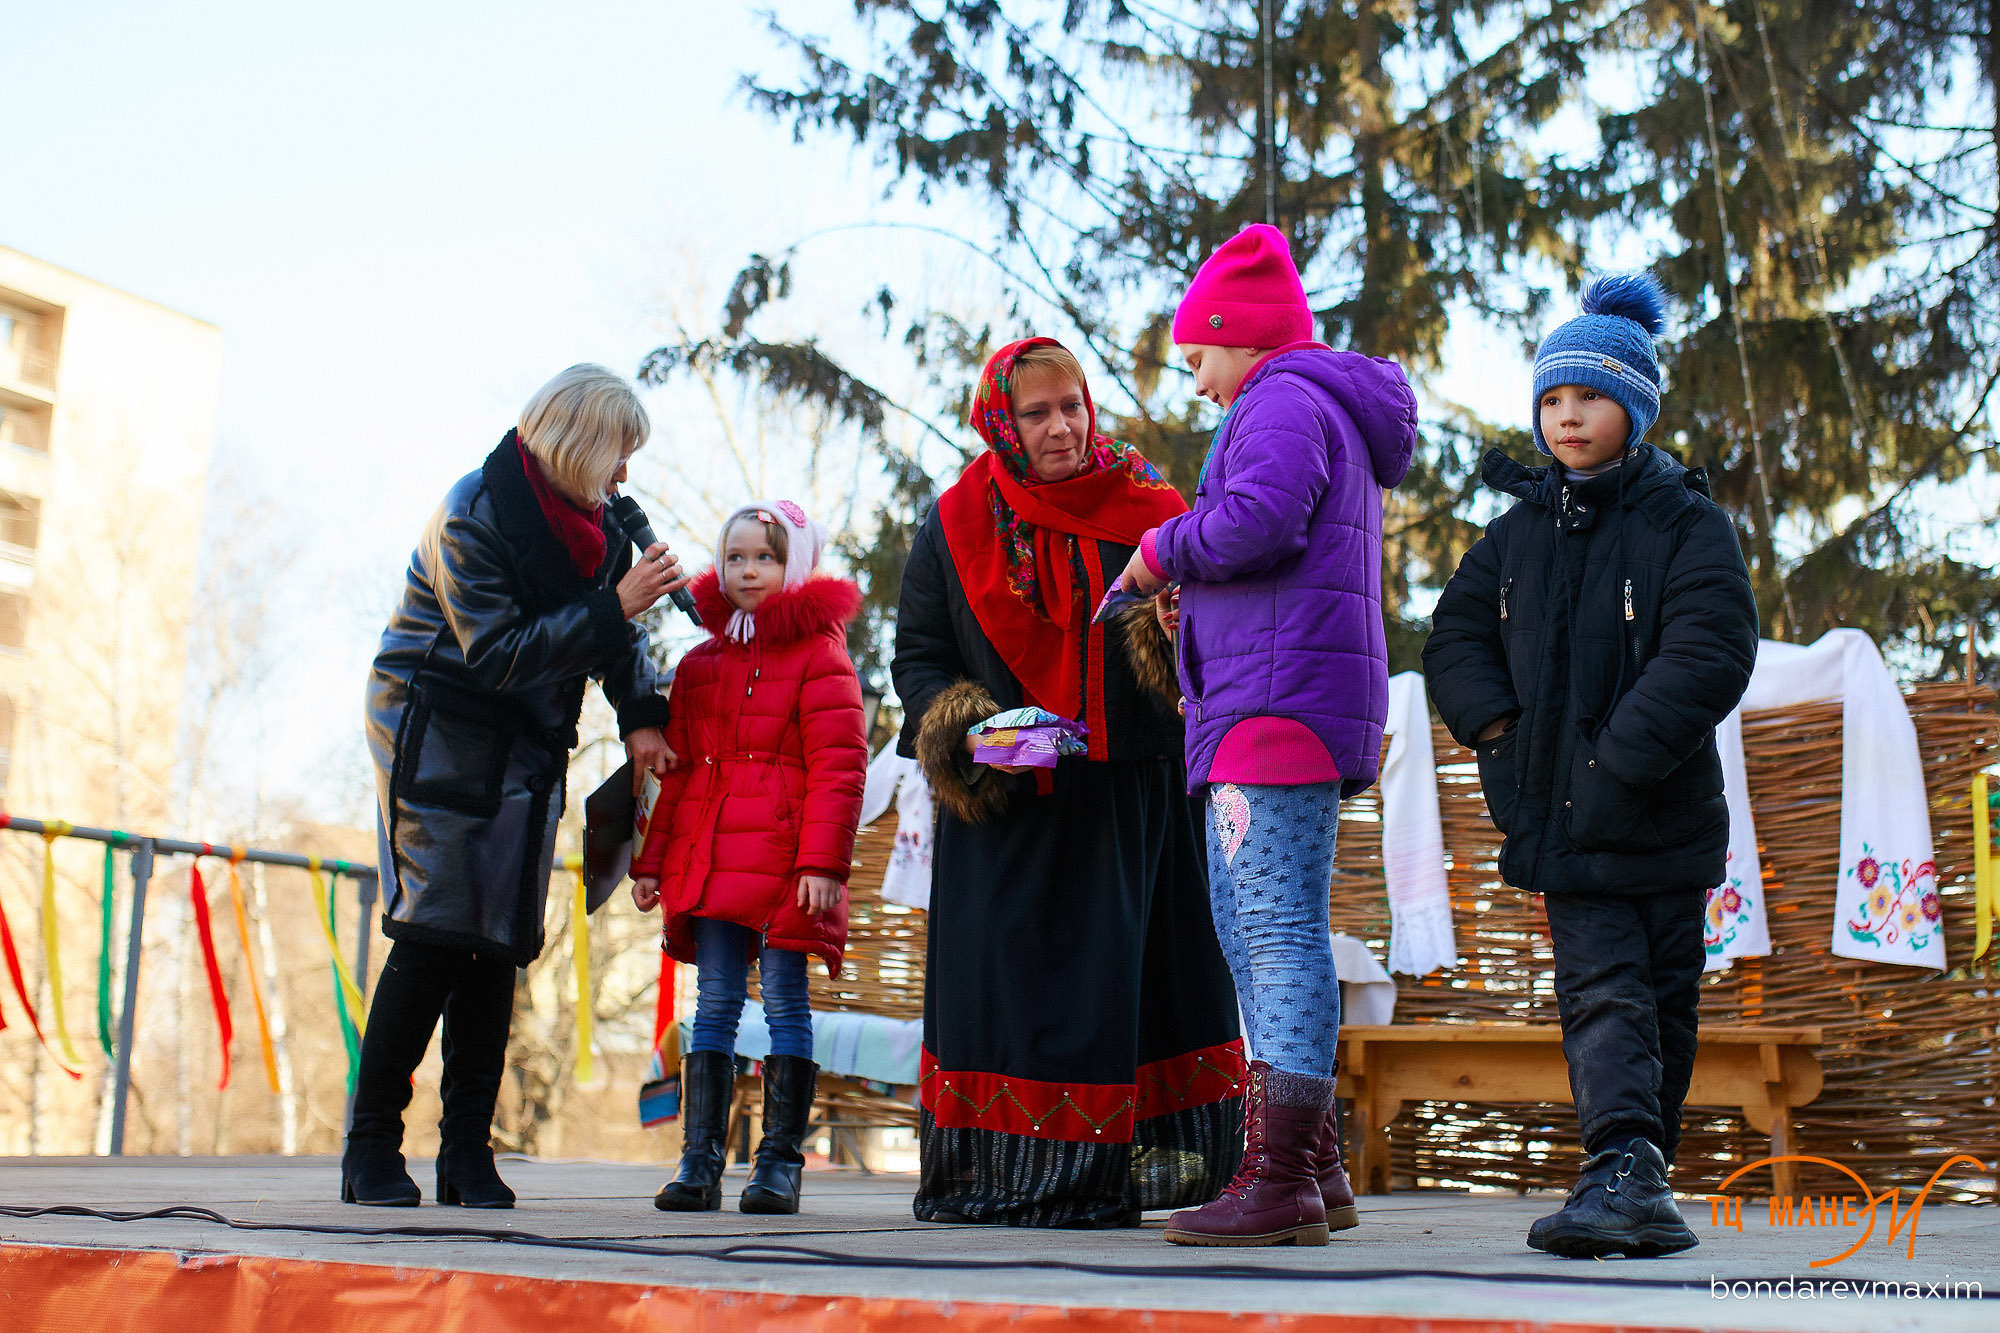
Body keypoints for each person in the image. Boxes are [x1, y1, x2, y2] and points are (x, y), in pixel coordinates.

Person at [1422, 275, 1758, 1258]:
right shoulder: (1516, 533)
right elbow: (1452, 639)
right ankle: (1621, 1165)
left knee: (1664, 996)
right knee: (1601, 990)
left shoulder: (1682, 523)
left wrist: (1614, 761)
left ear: (1636, 409)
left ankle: (1638, 1173)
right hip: (1565, 823)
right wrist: (1499, 736)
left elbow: (1709, 651)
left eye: (1592, 396)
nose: (1567, 416)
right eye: (1553, 399)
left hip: (1660, 810)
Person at [892, 337, 1246, 1229]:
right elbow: (920, 655)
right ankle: (1001, 1176)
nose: (1061, 427)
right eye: (1037, 413)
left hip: (1132, 806)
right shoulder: (955, 522)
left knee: (1128, 990)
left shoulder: (1153, 507)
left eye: (1072, 406)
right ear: (1002, 424)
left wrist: (1172, 635)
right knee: (1011, 992)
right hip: (1004, 812)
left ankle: (1143, 1173)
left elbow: (1220, 628)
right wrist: (968, 730)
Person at [1118, 223, 1417, 1247]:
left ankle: (1279, 1174)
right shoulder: (1298, 401)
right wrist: (1194, 600)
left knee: (1274, 928)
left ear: (1241, 337)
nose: (1197, 382)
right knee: (1252, 927)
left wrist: (1163, 550)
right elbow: (1274, 547)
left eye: (1198, 357)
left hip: (1274, 708)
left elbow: (1258, 521)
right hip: (1272, 695)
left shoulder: (1281, 398)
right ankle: (1314, 1165)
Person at [355, 364, 686, 1208]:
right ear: (577, 443)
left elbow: (616, 644)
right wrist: (615, 607)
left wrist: (642, 714)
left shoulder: (599, 527)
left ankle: (467, 1150)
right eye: (617, 452)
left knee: (499, 938)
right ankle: (370, 1146)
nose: (625, 473)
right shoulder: (473, 513)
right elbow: (496, 653)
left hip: (526, 740)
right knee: (435, 928)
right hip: (438, 727)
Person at [631, 500, 867, 1215]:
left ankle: (779, 1164)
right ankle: (699, 1160)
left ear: (795, 565)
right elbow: (677, 774)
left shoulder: (820, 657)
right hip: (709, 860)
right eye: (735, 557)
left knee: (787, 1001)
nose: (748, 570)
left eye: (765, 556)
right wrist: (652, 861)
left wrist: (822, 863)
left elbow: (839, 766)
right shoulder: (700, 665)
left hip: (788, 865)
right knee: (715, 1004)